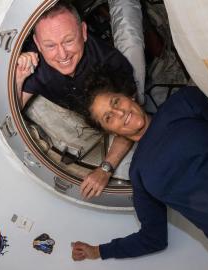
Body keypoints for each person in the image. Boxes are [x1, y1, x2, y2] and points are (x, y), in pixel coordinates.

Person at [71, 69, 208, 270]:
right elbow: (153, 238)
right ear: (110, 132)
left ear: (129, 95)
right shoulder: (138, 174)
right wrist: (98, 251)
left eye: (116, 102)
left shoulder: (182, 103)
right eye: (108, 117)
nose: (120, 113)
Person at [15, 1, 138, 199]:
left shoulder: (112, 65)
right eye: (50, 45)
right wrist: (19, 76)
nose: (62, 54)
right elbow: (11, 112)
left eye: (69, 41)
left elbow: (132, 123)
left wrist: (105, 168)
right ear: (37, 44)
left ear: (83, 31)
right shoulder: (34, 62)